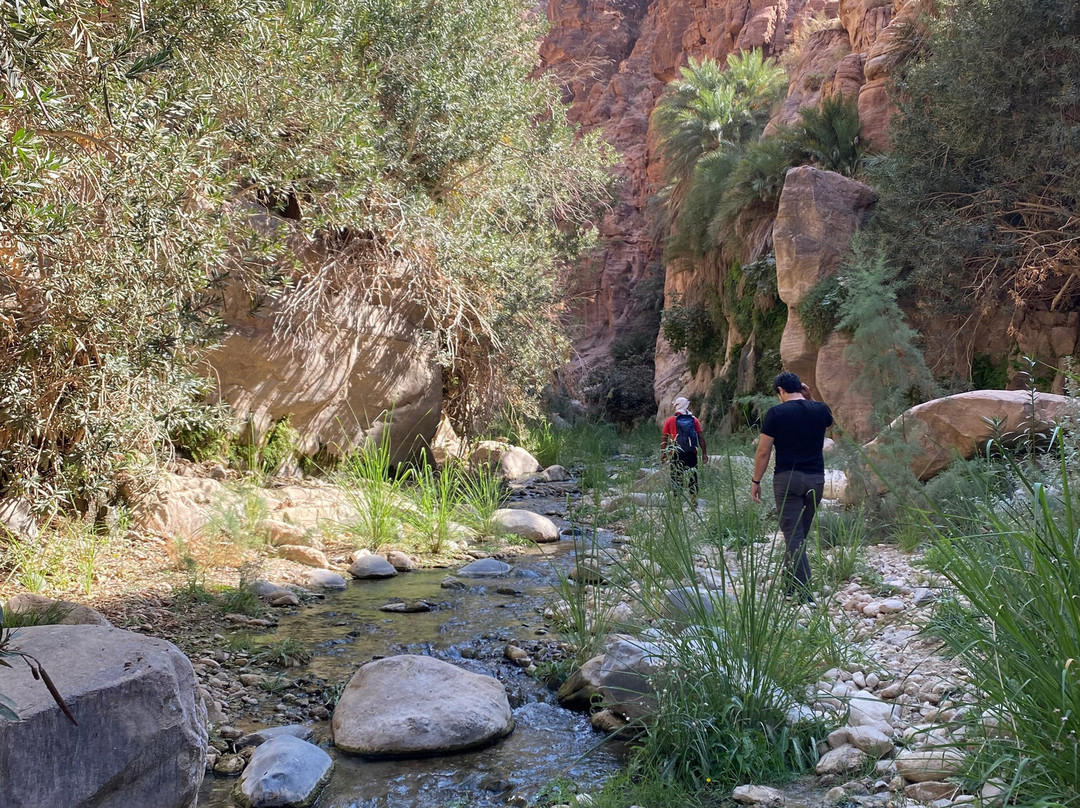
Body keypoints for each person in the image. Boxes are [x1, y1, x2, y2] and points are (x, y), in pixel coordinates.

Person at [750, 371, 833, 599]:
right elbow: (825, 418)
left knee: (793, 536)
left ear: (780, 391)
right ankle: (789, 588)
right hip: (816, 478)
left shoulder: (776, 413)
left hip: (787, 479)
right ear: (800, 387)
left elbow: (764, 451)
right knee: (799, 536)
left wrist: (756, 481)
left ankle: (805, 594)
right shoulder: (820, 409)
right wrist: (810, 396)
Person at [661, 396, 708, 499]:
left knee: (676, 476)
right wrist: (704, 453)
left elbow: (664, 438)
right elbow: (701, 436)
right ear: (686, 406)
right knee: (693, 476)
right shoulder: (694, 420)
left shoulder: (670, 420)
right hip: (691, 452)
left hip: (676, 452)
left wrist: (663, 453)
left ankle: (677, 499)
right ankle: (693, 499)